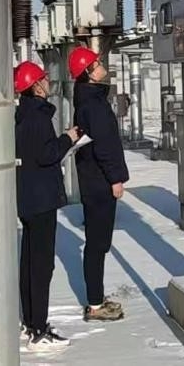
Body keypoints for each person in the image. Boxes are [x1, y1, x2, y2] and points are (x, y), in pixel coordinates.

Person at [14, 61, 78, 351]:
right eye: (43, 79)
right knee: (41, 266)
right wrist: (68, 138)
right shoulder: (39, 117)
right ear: (35, 87)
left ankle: (30, 322)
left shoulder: (20, 115)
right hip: (41, 200)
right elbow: (46, 155)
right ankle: (39, 329)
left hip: (27, 199)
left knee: (29, 263)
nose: (47, 82)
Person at [68, 46, 130, 322]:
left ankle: (96, 298)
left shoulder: (88, 99)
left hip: (93, 180)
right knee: (98, 244)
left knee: (98, 243)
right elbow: (105, 147)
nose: (102, 65)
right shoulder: (93, 105)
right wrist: (115, 179)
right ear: (89, 73)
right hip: (99, 182)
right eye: (97, 63)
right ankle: (94, 304)